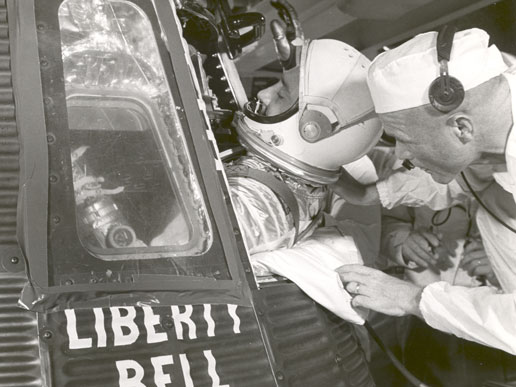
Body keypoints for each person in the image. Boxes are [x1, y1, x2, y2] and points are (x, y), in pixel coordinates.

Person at [336, 27, 516, 355]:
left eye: (405, 140)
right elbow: (470, 178)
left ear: (461, 127)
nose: (401, 155)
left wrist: (413, 298)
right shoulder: (495, 130)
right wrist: (371, 194)